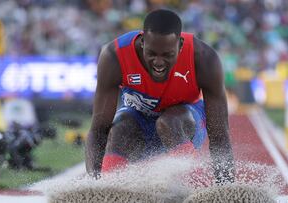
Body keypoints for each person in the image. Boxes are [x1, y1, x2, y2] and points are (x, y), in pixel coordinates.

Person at [85, 9, 234, 185]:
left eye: (167, 55)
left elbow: (219, 135)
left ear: (180, 45)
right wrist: (93, 185)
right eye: (152, 53)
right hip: (138, 125)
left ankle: (189, 186)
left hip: (184, 126)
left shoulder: (204, 59)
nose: (158, 63)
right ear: (142, 43)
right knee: (119, 127)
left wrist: (226, 186)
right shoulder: (114, 56)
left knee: (169, 121)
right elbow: (98, 129)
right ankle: (110, 188)